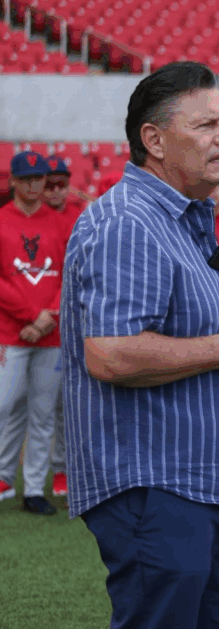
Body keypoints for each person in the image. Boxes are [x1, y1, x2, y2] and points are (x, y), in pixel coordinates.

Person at [61, 61, 219, 629]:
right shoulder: (129, 222)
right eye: (205, 126)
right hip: (156, 486)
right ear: (154, 140)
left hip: (202, 483)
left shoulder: (180, 220)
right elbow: (110, 353)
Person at [0, 151, 65, 516]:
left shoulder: (59, 223)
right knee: (4, 405)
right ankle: (3, 476)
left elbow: (69, 274)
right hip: (11, 332)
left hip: (51, 334)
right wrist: (30, 316)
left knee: (42, 414)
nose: (32, 184)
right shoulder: (2, 220)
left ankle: (35, 489)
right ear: (13, 181)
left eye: (37, 178)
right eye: (24, 178)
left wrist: (48, 317)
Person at [42, 154, 84, 497]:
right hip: (36, 324)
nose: (56, 190)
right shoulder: (31, 219)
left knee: (67, 405)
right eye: (50, 184)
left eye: (61, 183)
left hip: (74, 321)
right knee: (27, 407)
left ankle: (64, 469)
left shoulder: (80, 215)